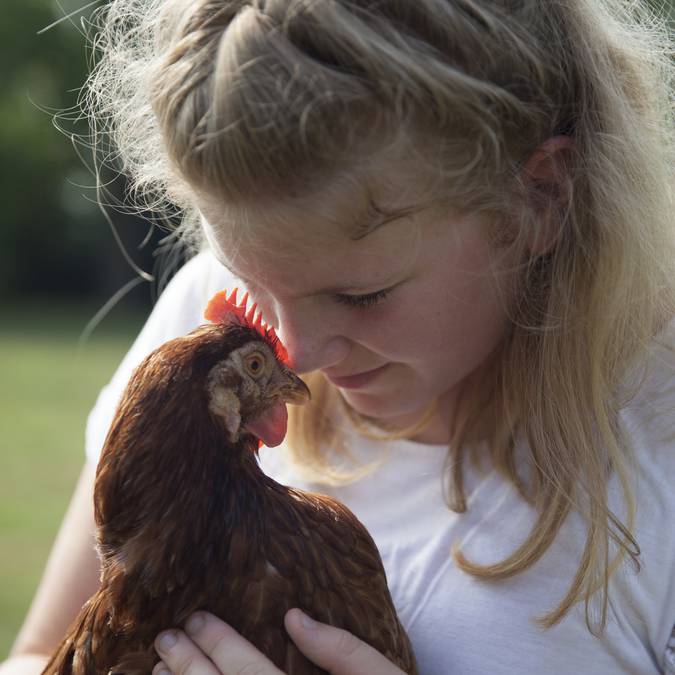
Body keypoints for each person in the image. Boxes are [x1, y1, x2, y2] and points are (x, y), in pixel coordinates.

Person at [3, 0, 675, 673]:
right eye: (251, 279)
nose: (292, 352)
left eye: (360, 295)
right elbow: (37, 654)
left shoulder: (656, 453)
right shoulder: (215, 357)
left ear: (540, 199)